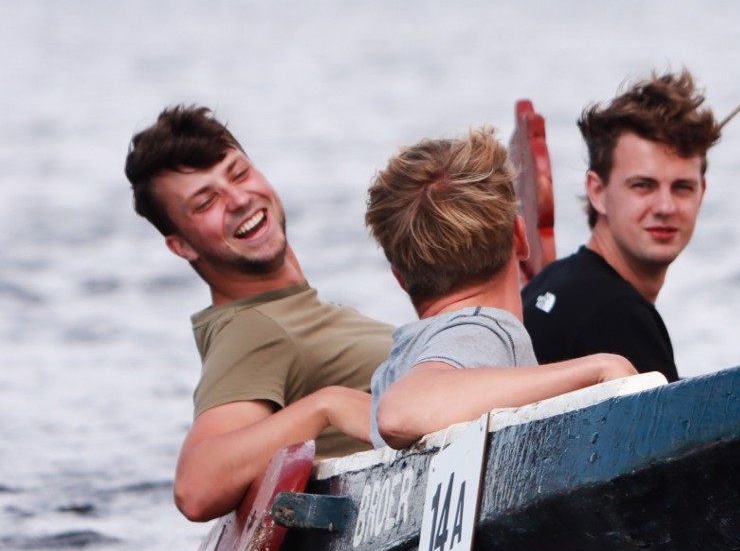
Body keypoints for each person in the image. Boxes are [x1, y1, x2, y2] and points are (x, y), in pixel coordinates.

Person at [125, 105, 393, 522]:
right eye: (206, 202)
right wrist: (327, 406)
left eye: (239, 174)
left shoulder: (290, 311)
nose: (238, 199)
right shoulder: (253, 329)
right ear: (182, 246)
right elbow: (196, 488)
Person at [364, 127, 638, 449]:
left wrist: (327, 405)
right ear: (520, 237)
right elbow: (400, 412)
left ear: (399, 277)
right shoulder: (485, 331)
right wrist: (598, 368)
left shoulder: (403, 357)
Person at [522, 70, 721, 380]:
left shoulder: (556, 280)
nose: (665, 207)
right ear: (597, 192)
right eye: (643, 186)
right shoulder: (616, 315)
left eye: (682, 187)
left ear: (701, 193)